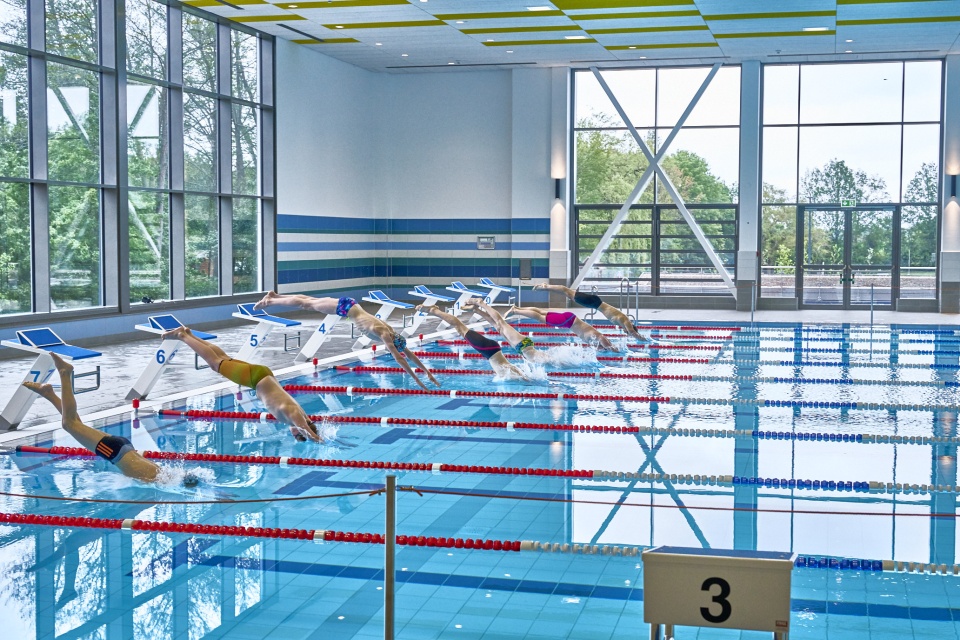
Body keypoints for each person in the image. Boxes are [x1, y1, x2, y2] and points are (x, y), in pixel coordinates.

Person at [22, 353, 199, 485]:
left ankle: (49, 394)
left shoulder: (163, 473)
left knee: (77, 425)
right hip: (115, 453)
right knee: (69, 424)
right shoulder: (160, 481)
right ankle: (65, 373)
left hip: (123, 447)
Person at [160, 326, 324, 442]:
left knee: (222, 358)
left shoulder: (301, 415)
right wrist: (321, 441)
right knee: (215, 363)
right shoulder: (296, 417)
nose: (293, 433)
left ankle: (189, 333)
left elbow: (307, 427)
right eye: (295, 435)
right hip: (255, 378)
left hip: (262, 375)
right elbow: (308, 432)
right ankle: (183, 335)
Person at [254, 291, 440, 391]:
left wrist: (427, 372)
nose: (391, 348)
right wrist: (416, 379)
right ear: (392, 342)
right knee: (306, 303)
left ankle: (275, 296)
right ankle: (270, 302)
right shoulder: (384, 333)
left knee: (310, 300)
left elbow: (408, 354)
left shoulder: (392, 332)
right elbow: (401, 359)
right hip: (345, 308)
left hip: (350, 304)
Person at [415, 304, 529, 380]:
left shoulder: (513, 374)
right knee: (459, 327)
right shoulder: (512, 376)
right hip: (489, 351)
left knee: (460, 328)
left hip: (493, 350)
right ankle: (434, 311)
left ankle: (435, 311)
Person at [533, 283, 649, 342]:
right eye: (626, 332)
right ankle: (545, 286)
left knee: (567, 293)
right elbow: (633, 332)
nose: (625, 332)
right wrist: (645, 340)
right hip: (594, 302)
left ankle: (546, 287)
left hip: (593, 304)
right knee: (566, 291)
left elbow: (631, 332)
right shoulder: (627, 321)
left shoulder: (623, 323)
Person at [504, 305, 617, 351]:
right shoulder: (599, 338)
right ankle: (516, 311)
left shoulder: (595, 342)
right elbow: (604, 340)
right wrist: (613, 350)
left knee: (542, 312)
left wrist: (604, 349)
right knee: (540, 318)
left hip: (571, 318)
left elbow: (600, 347)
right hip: (569, 321)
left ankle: (518, 308)